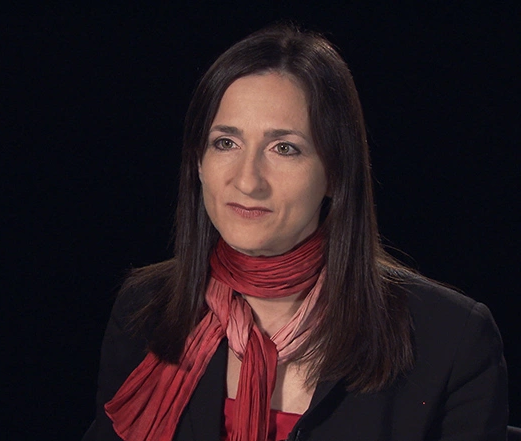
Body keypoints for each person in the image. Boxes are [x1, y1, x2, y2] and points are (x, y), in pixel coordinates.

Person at [83, 24, 508, 441]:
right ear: (198, 162)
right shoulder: (145, 309)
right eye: (225, 143)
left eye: (284, 148)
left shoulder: (450, 339)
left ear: (336, 174)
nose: (247, 181)